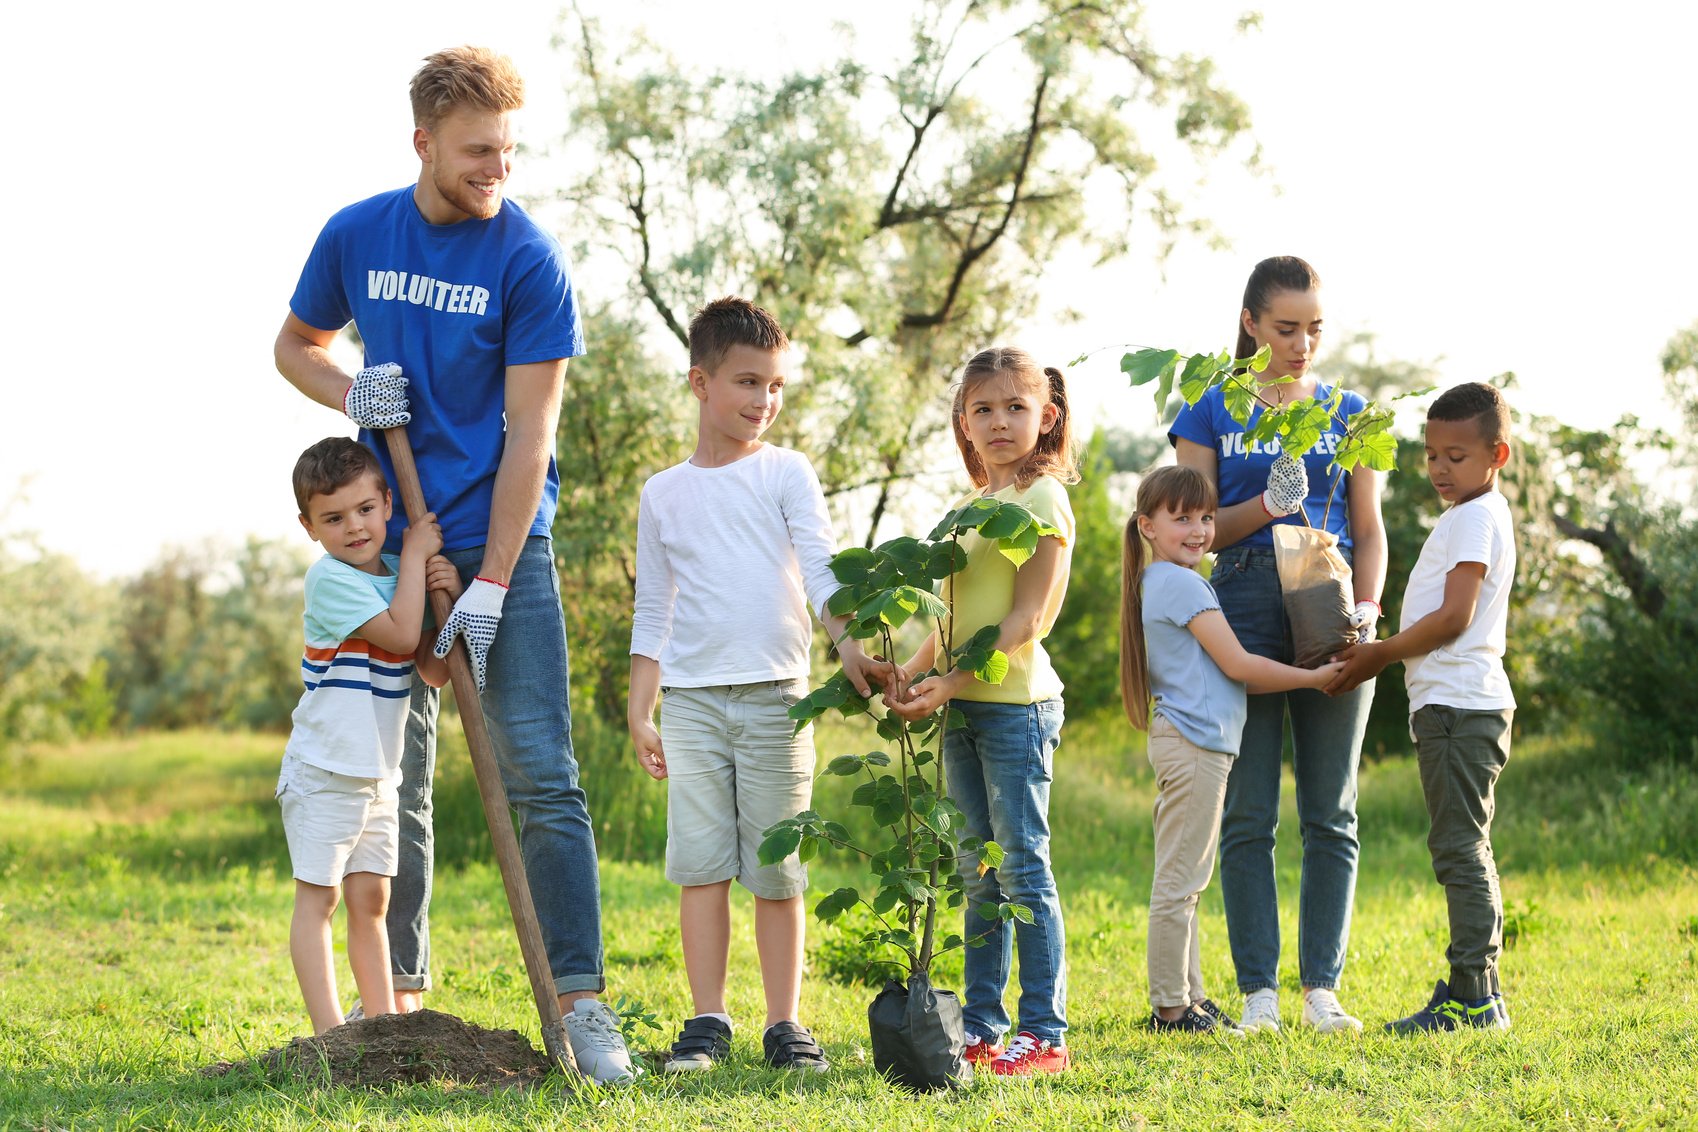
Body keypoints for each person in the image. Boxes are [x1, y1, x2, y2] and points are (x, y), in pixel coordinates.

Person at [273, 47, 640, 1081]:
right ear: (424, 141)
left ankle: (582, 1003)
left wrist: (488, 584)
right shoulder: (357, 234)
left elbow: (530, 441)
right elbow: (295, 344)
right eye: (479, 150)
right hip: (394, 542)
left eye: (510, 151)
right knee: (403, 777)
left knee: (543, 774)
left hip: (501, 541)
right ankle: (405, 1000)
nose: (498, 170)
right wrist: (349, 394)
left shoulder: (527, 260)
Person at [627, 297, 892, 1074]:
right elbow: (654, 609)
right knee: (701, 866)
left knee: (777, 869)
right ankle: (707, 1021)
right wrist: (642, 710)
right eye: (748, 383)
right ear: (699, 382)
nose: (763, 402)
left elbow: (820, 568)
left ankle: (786, 1024)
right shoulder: (663, 493)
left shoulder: (786, 472)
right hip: (693, 704)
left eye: (775, 387)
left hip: (780, 698)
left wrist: (848, 647)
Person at [1169, 256, 1387, 1035]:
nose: (1302, 344)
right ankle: (1258, 990)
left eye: (1315, 329)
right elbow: (1194, 534)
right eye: (1287, 328)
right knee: (1250, 811)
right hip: (1243, 600)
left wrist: (1368, 607)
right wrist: (1266, 502)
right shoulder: (1209, 407)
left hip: (1330, 599)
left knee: (1331, 810)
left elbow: (1370, 528)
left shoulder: (1350, 411)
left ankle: (1321, 989)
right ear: (1251, 323)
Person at [885, 347, 1078, 1075]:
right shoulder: (966, 509)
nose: (1000, 422)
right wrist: (906, 674)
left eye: (1016, 407)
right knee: (979, 874)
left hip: (1015, 708)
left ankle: (1044, 1034)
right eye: (984, 409)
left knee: (1023, 868)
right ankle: (983, 1027)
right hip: (964, 708)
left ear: (1046, 416)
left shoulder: (1042, 501)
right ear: (963, 424)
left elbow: (1027, 619)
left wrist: (949, 684)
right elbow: (950, 622)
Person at [1120, 464, 1343, 1036]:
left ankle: (1190, 998)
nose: (1197, 530)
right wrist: (1314, 678)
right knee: (1181, 883)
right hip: (1195, 744)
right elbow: (1241, 666)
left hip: (1194, 742)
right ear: (1147, 525)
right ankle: (1171, 1008)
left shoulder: (1164, 580)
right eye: (1181, 519)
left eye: (1205, 518)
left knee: (1187, 879)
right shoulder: (1183, 583)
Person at [1324, 382, 1517, 1033]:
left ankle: (1473, 995)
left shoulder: (1475, 517)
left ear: (1498, 454)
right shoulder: (1472, 513)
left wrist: (1383, 654)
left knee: (1460, 849)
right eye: (1433, 454)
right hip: (1454, 705)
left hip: (1461, 708)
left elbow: (1456, 617)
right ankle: (1478, 989)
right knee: (1458, 846)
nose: (1439, 468)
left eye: (1456, 456)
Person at [281, 437, 456, 1035]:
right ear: (310, 527)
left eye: (364, 509)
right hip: (327, 769)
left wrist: (446, 599)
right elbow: (403, 636)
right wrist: (415, 558)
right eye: (333, 517)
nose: (353, 527)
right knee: (320, 902)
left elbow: (428, 668)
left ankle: (381, 1030)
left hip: (381, 775)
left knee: (372, 904)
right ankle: (330, 1038)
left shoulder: (397, 580)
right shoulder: (329, 581)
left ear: (387, 501)